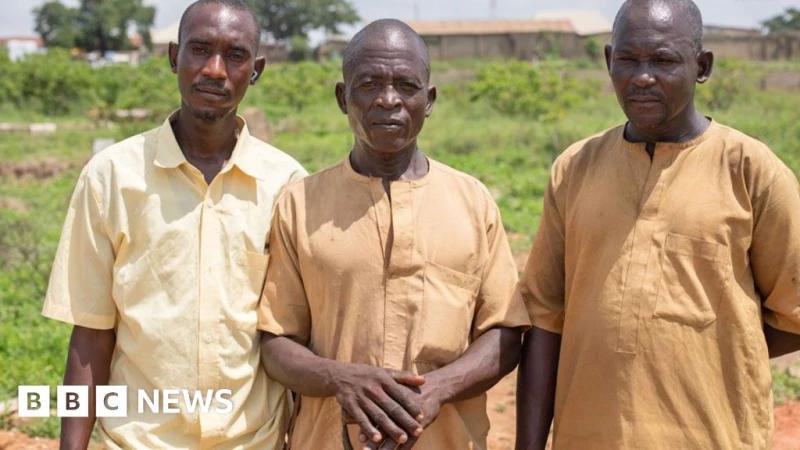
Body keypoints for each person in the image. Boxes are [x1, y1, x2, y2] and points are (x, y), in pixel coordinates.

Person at [515, 0, 800, 448]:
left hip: (713, 436)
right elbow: (545, 320)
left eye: (664, 60)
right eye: (628, 59)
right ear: (609, 61)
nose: (643, 77)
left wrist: (712, 350)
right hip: (588, 436)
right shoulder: (575, 168)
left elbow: (793, 312)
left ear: (701, 66)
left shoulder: (751, 171)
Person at [41, 1, 306, 448]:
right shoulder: (112, 176)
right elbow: (90, 336)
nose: (215, 70)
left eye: (235, 56)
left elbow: (295, 336)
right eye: (199, 49)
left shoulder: (287, 185)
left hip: (253, 441)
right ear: (172, 57)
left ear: (256, 69)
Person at [257, 19, 530, 450]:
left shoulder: (472, 202)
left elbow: (505, 334)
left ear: (430, 99)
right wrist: (340, 378)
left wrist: (437, 388)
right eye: (369, 84)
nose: (389, 100)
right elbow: (276, 342)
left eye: (406, 85)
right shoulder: (300, 204)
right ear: (343, 98)